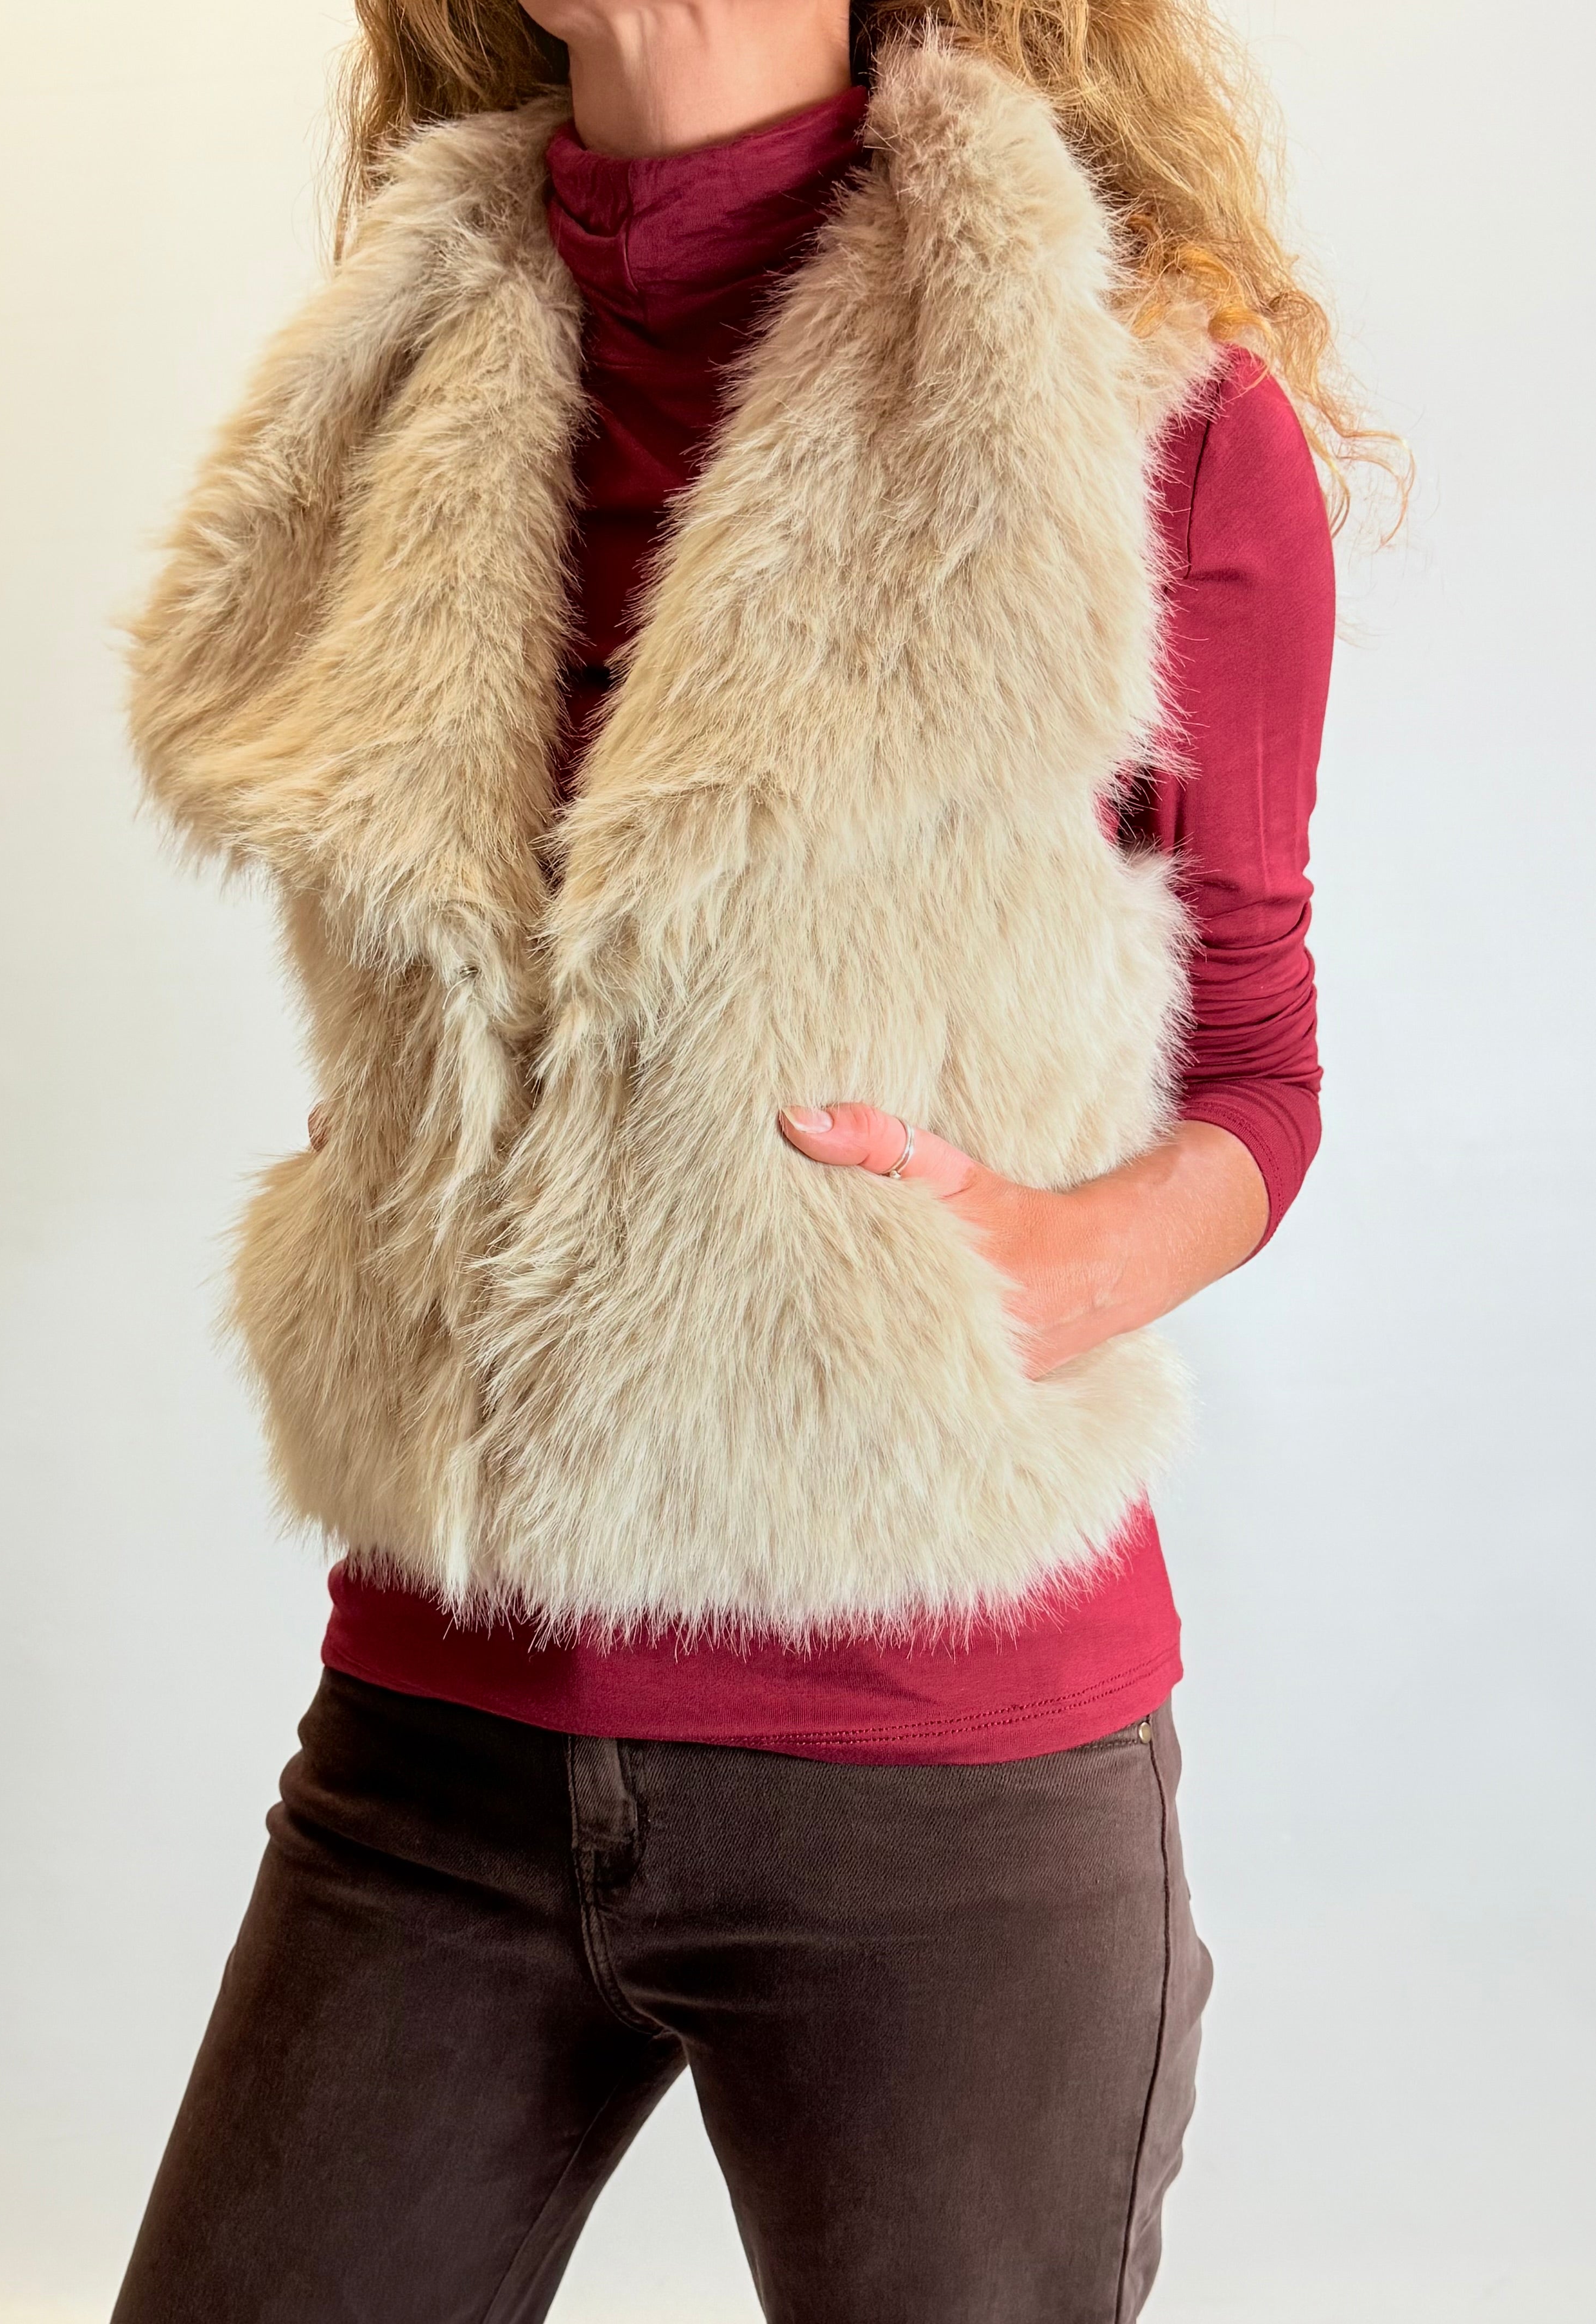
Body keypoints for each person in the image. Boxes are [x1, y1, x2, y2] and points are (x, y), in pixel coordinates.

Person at [114, 2, 1391, 2316]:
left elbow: (1261, 1075)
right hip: (438, 1730)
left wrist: (1059, 1264)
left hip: (939, 1767)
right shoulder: (393, 380)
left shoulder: (1138, 410)